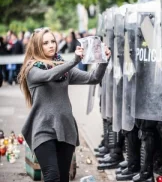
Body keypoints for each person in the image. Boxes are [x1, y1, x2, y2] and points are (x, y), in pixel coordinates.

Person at [17, 28, 111, 182]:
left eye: (52, 41)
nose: (51, 45)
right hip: (42, 129)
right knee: (52, 176)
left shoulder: (65, 70)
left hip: (65, 128)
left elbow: (93, 78)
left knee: (63, 178)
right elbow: (50, 75)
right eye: (45, 43)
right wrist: (74, 60)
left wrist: (103, 60)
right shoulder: (32, 69)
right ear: (36, 46)